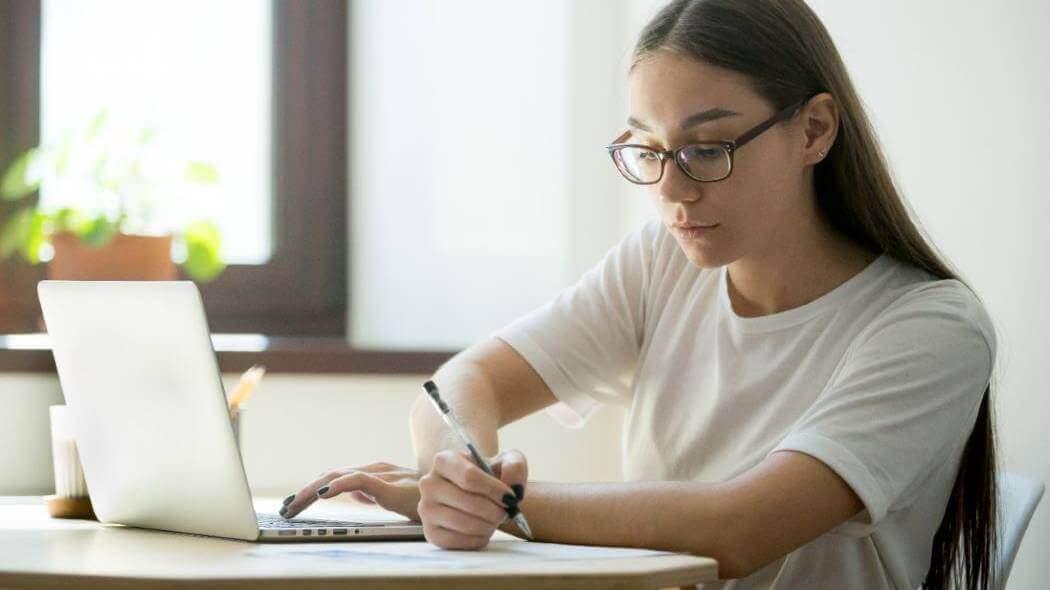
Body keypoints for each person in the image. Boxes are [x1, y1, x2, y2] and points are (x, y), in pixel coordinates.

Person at [281, 0, 998, 587]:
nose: (672, 192)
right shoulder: (665, 262)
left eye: (707, 150)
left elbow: (739, 529)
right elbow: (466, 380)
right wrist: (458, 472)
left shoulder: (929, 326)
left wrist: (500, 507)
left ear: (814, 130)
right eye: (648, 151)